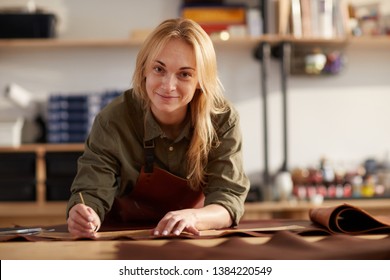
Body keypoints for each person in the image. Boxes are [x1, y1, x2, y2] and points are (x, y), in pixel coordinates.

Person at [66, 18, 250, 238]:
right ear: (144, 69)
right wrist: (85, 215)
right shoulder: (113, 120)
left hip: (193, 236)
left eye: (184, 74)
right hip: (124, 239)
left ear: (201, 80)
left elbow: (228, 200)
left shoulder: (222, 119)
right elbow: (91, 193)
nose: (168, 85)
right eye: (159, 69)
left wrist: (193, 217)